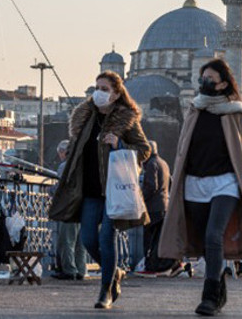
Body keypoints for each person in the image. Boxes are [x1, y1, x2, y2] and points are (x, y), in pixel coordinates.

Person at [158, 58, 242, 317]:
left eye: (210, 79)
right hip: (194, 183)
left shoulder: (235, 112)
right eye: (202, 78)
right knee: (203, 241)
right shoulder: (194, 108)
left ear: (223, 83)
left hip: (225, 182)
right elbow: (182, 148)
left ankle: (209, 296)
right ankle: (220, 285)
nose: (204, 83)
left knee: (214, 236)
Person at [49, 71, 151, 309]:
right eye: (97, 87)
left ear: (116, 94)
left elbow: (144, 149)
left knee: (107, 238)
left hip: (114, 190)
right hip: (89, 190)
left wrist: (120, 143)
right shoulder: (85, 118)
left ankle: (105, 291)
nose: (99, 93)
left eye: (104, 89)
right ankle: (114, 272)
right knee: (87, 239)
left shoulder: (126, 119)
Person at [51, 140, 88, 280]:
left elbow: (61, 188)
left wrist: (50, 190)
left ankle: (69, 270)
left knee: (66, 240)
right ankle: (81, 270)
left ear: (63, 152)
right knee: (80, 242)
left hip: (69, 208)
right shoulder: (83, 164)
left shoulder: (64, 166)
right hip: (83, 207)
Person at [139, 140, 175, 276]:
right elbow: (170, 183)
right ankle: (158, 265)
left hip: (152, 208)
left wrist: (140, 198)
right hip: (163, 206)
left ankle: (150, 266)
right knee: (159, 239)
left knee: (149, 239)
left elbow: (151, 186)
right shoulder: (164, 163)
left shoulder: (151, 165)